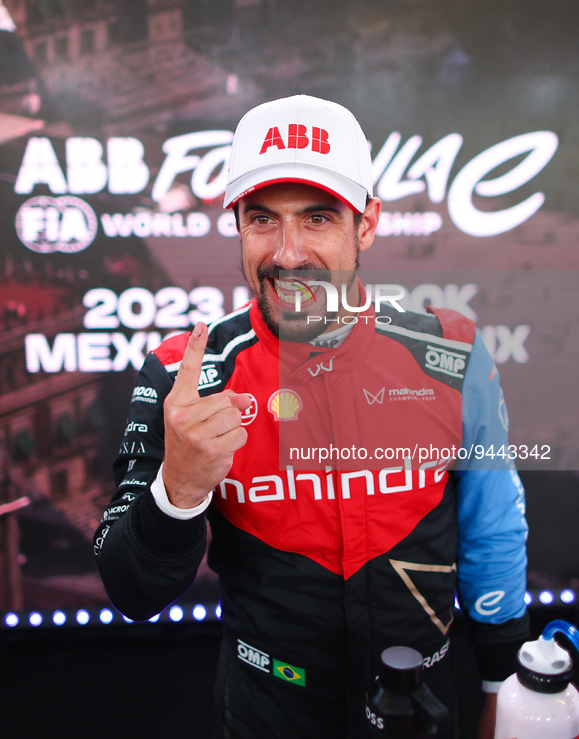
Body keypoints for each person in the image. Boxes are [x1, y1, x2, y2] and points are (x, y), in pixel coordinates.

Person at [94, 95, 528, 738]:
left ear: (367, 223)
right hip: (268, 710)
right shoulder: (184, 377)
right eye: (262, 219)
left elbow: (492, 532)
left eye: (318, 218)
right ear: (237, 226)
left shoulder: (450, 353)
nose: (289, 253)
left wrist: (503, 686)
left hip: (427, 708)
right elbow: (132, 593)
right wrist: (178, 493)